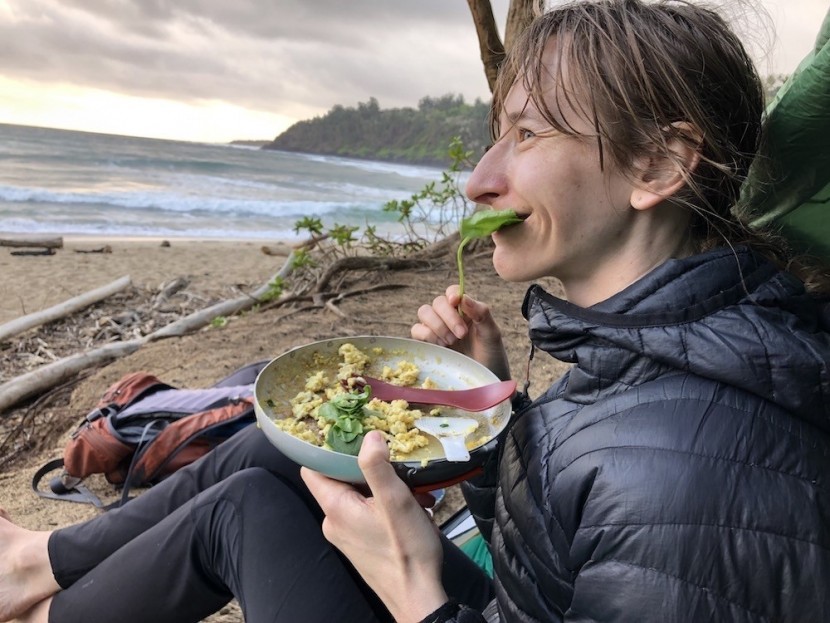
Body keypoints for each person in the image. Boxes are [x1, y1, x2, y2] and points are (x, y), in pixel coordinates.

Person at [3, 0, 830, 621]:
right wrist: (499, 413)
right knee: (274, 457)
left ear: (657, 165)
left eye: (530, 135)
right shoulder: (669, 343)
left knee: (239, 512)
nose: (478, 180)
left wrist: (416, 591)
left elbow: (634, 497)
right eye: (493, 136)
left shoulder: (686, 472)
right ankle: (41, 566)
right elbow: (563, 547)